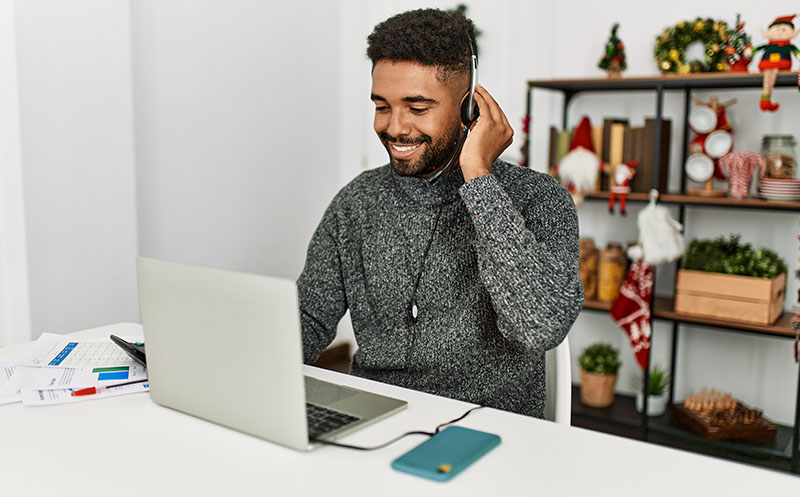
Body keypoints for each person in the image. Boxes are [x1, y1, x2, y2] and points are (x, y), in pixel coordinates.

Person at [297, 8, 583, 418]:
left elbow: (538, 327)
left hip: (491, 430)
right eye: (382, 106)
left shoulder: (537, 198)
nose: (395, 127)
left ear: (469, 109)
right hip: (377, 419)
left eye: (417, 108)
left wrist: (479, 179)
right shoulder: (357, 202)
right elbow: (307, 317)